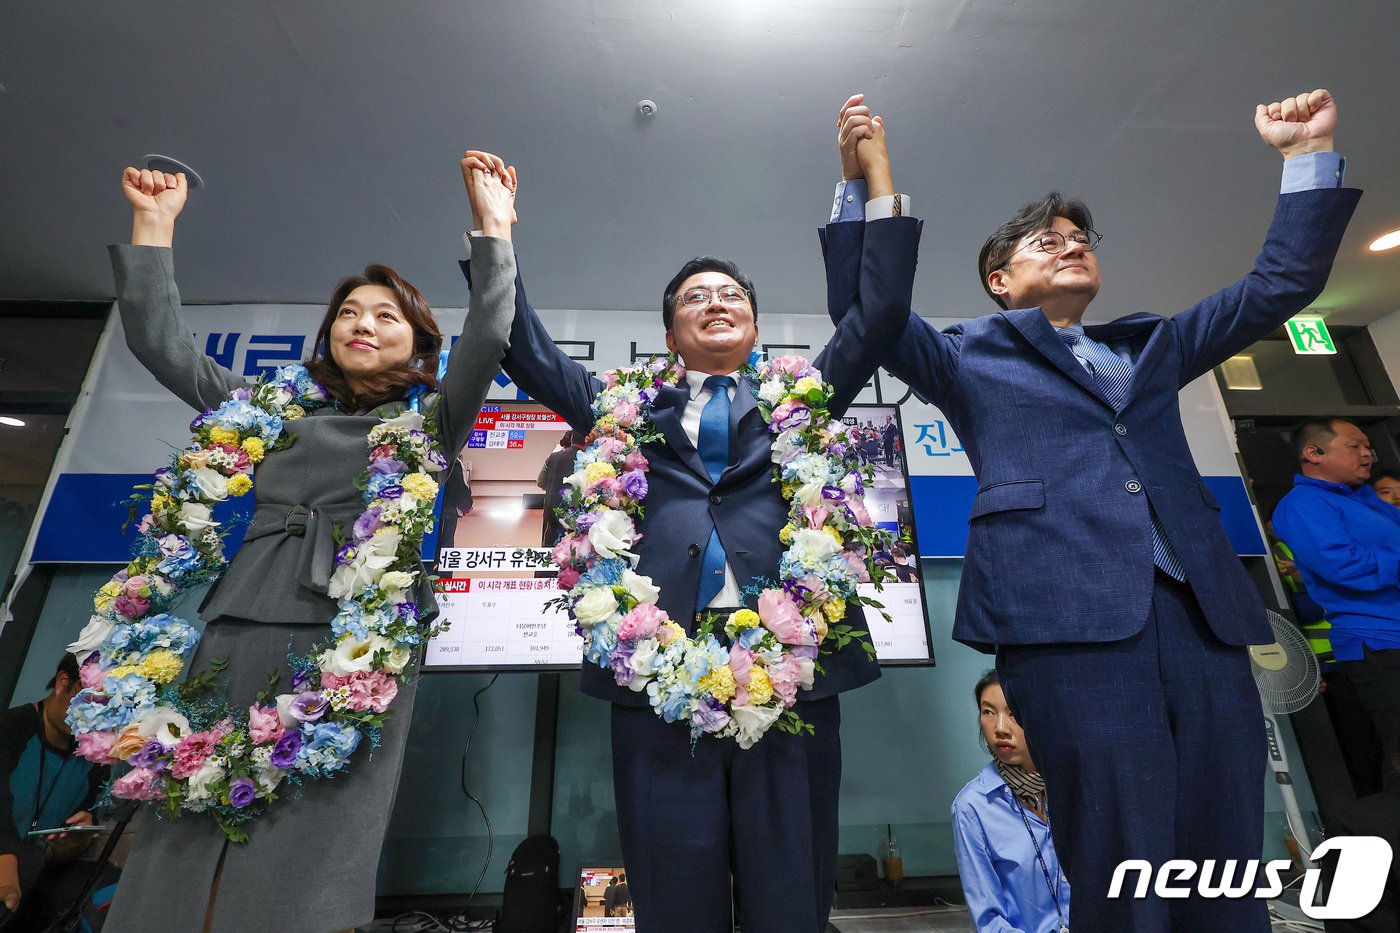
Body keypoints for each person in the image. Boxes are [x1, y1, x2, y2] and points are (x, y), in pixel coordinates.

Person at [828, 89, 1358, 932]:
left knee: (1225, 839)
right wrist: (870, 182)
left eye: (1081, 240)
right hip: (1065, 623)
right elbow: (872, 314)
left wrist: (1305, 155)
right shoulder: (969, 356)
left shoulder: (1153, 344)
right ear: (1000, 281)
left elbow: (1279, 283)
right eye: (1046, 241)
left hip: (1203, 615)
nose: (1071, 245)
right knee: (1117, 842)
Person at [459, 94, 919, 932]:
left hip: (793, 667)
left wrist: (872, 182)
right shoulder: (618, 405)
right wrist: (497, 234)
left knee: (791, 891)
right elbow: (522, 345)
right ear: (670, 331)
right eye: (696, 297)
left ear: (751, 322)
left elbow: (879, 314)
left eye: (731, 294)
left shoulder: (803, 397)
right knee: (674, 892)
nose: (716, 301)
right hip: (655, 673)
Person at [97, 165, 512, 933]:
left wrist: (494, 227)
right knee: (190, 802)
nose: (362, 323)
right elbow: (163, 346)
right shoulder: (268, 406)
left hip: (354, 645)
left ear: (420, 340)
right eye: (349, 312)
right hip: (241, 618)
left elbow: (489, 333)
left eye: (386, 315)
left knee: (312, 827)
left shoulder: (432, 422)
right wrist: (154, 226)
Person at [1272, 418, 1400, 793]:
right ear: (1314, 453)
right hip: (1378, 643)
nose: (1367, 455)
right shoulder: (1303, 503)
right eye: (1355, 446)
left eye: (1368, 447)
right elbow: (1341, 564)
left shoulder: (1365, 501)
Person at [952, 671, 1069, 933]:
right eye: (988, 712)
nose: (1001, 728)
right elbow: (989, 921)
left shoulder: (1075, 787)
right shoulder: (973, 807)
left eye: (1013, 712)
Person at [0, 656, 107, 933]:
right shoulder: (10, 729)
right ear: (63, 683)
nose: (94, 721)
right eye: (91, 705)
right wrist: (5, 861)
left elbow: (62, 851)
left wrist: (73, 843)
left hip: (31, 885)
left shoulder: (94, 760)